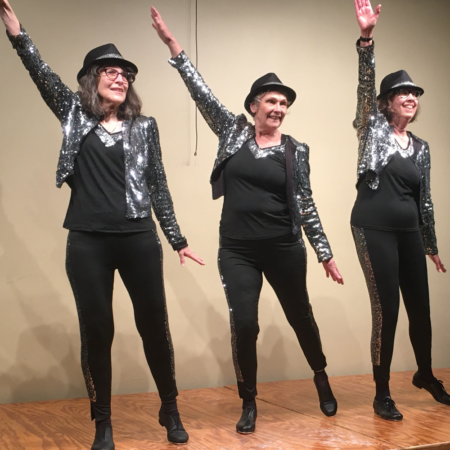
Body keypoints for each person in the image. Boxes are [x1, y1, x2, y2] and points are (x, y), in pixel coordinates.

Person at [1, 1, 205, 448]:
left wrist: (177, 238)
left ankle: (169, 408)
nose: (120, 77)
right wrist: (19, 35)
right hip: (88, 242)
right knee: (98, 330)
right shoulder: (75, 115)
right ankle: (103, 423)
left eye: (125, 73)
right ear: (92, 79)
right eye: (110, 71)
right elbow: (43, 76)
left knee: (154, 323)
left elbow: (159, 186)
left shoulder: (144, 127)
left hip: (137, 238)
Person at [151, 6, 344, 434]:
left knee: (301, 316)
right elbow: (200, 92)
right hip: (236, 248)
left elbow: (306, 203)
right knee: (245, 323)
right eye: (272, 101)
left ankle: (321, 378)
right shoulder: (233, 131)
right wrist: (173, 46)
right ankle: (249, 401)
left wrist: (324, 253)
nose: (279, 108)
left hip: (283, 247)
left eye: (284, 103)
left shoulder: (296, 150)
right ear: (254, 105)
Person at [351, 0, 450, 422]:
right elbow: (364, 82)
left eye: (414, 93)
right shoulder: (371, 127)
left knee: (421, 309)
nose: (410, 97)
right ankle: (381, 392)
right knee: (386, 311)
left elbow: (424, 197)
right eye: (402, 93)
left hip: (409, 232)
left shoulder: (421, 147)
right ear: (386, 102)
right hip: (372, 227)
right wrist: (367, 39)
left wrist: (431, 245)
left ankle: (425, 374)